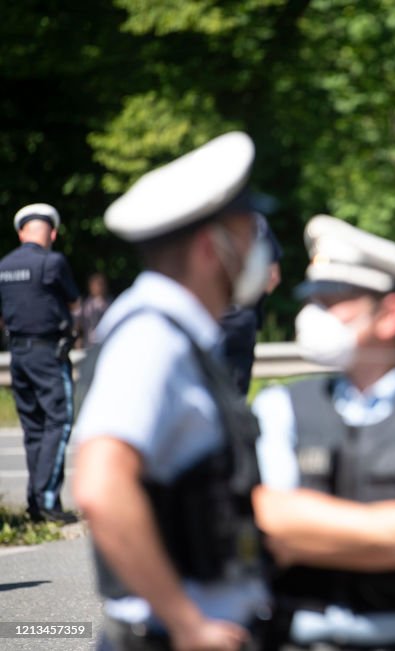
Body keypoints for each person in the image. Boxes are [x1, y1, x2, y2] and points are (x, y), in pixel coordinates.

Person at [73, 131, 273, 651]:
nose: (260, 250)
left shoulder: (180, 336)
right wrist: (186, 622)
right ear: (212, 248)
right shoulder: (152, 339)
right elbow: (101, 485)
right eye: (248, 233)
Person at [251, 215, 395, 650]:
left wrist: (305, 527)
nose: (312, 316)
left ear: (391, 313)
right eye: (313, 300)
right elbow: (269, 525)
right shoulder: (279, 406)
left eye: (332, 301)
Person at [0, 203, 79, 523]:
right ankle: (47, 501)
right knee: (58, 421)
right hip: (48, 353)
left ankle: (37, 501)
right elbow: (74, 302)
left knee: (33, 427)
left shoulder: (4, 266)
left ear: (21, 233)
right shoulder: (53, 261)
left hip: (18, 355)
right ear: (53, 233)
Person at [219, 213, 282, 395]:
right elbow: (272, 277)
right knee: (235, 399)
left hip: (196, 319)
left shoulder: (190, 219)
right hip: (240, 318)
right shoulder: (254, 221)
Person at [76, 271, 112, 348]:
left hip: (107, 342)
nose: (100, 287)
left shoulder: (112, 304)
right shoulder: (86, 305)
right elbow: (78, 324)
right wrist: (78, 339)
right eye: (98, 285)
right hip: (89, 344)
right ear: (91, 286)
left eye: (102, 284)